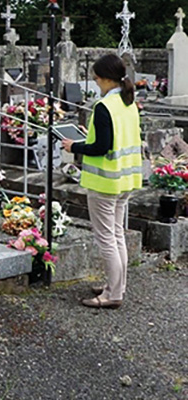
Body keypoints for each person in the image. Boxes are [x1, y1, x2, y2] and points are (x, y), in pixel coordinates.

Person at [62, 53, 142, 309]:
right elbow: (114, 138)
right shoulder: (128, 101)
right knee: (117, 235)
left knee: (107, 239)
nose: (96, 82)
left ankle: (113, 295)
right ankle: (116, 286)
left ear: (107, 79)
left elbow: (101, 147)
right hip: (125, 179)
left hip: (105, 183)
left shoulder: (104, 106)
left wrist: (74, 145)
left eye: (96, 78)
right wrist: (89, 137)